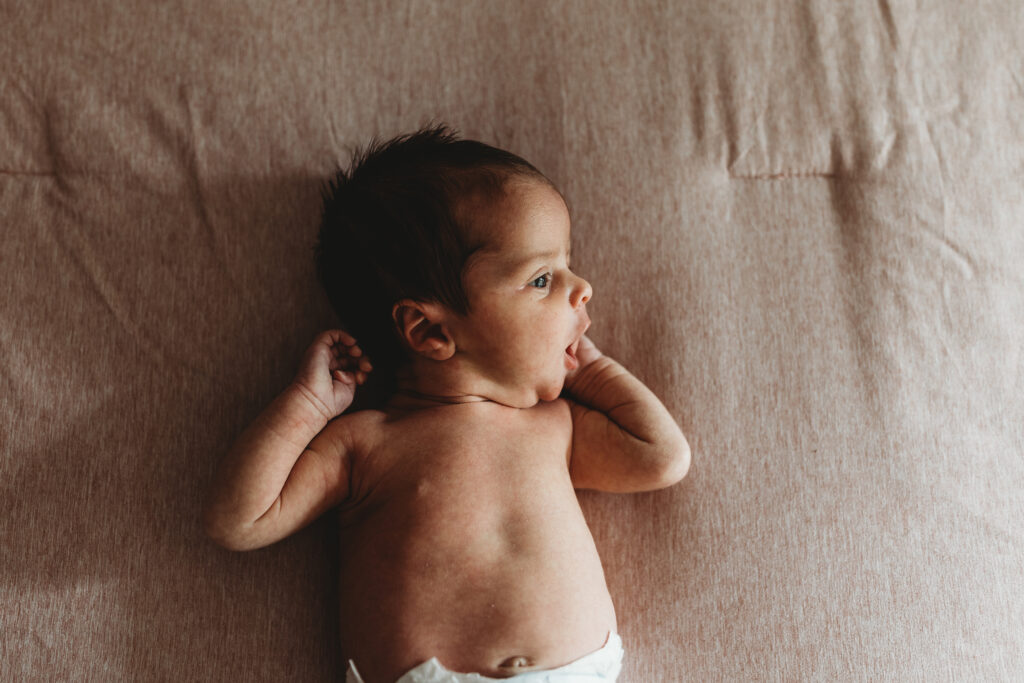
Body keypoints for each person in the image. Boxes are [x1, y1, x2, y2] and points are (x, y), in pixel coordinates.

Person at [202, 125, 690, 683]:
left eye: (567, 265)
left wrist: (593, 369)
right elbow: (237, 519)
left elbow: (661, 458)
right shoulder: (365, 442)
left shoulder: (556, 426)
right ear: (430, 332)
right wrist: (309, 404)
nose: (582, 288)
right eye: (540, 279)